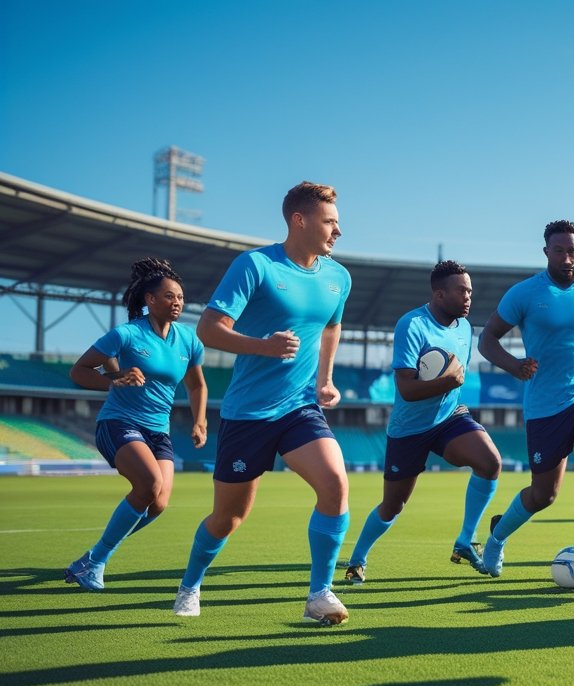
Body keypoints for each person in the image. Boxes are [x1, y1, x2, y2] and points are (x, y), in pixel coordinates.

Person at [172, 181, 354, 625]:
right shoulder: (255, 265)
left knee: (335, 484)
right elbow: (208, 329)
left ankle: (319, 594)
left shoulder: (338, 277)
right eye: (330, 222)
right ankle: (190, 584)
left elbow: (331, 327)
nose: (338, 231)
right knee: (228, 517)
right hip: (248, 413)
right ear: (299, 220)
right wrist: (263, 346)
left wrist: (325, 380)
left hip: (299, 408)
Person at [476, 220, 574, 585]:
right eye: (559, 250)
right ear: (546, 251)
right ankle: (497, 536)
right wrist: (514, 365)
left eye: (573, 250)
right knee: (544, 495)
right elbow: (487, 339)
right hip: (545, 406)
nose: (567, 257)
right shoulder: (524, 293)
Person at [343, 260, 501, 584]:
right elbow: (407, 389)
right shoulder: (412, 325)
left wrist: (451, 389)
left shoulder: (466, 329)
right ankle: (357, 559)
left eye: (470, 291)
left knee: (490, 463)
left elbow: (454, 379)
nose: (468, 297)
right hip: (410, 429)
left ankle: (466, 540)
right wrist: (448, 382)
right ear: (440, 294)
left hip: (449, 417)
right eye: (461, 291)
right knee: (393, 506)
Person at [63, 258, 207, 590]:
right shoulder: (127, 334)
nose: (177, 303)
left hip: (159, 432)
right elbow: (79, 371)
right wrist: (114, 379)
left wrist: (199, 422)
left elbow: (197, 385)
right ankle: (96, 562)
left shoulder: (188, 339)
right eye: (169, 296)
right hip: (119, 422)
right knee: (148, 484)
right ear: (150, 299)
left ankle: (91, 558)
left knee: (158, 503)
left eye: (180, 297)